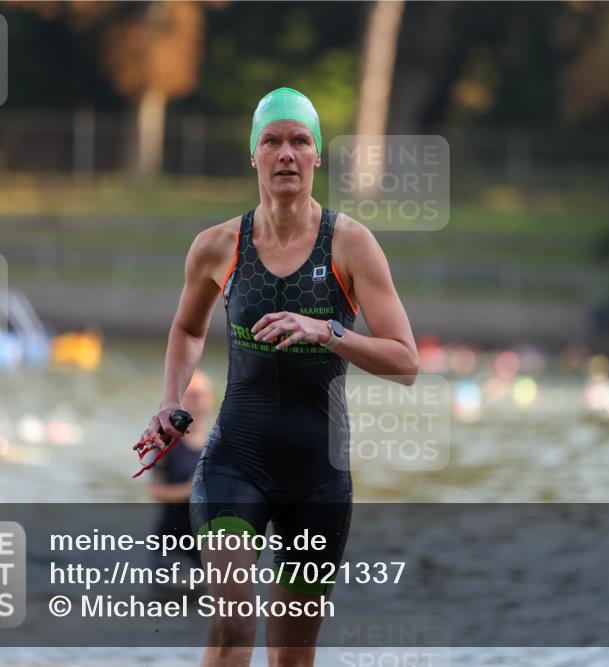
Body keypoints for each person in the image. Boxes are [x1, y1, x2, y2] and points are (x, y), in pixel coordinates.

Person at [140, 87, 417, 666]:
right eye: (272, 141)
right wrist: (169, 401)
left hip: (319, 476)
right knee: (234, 627)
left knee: (292, 652)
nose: (286, 153)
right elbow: (188, 330)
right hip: (235, 462)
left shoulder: (352, 244)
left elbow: (406, 361)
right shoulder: (217, 246)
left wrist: (328, 332)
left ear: (317, 157)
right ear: (254, 156)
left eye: (299, 141)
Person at [148, 370, 215, 573]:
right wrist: (191, 489)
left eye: (200, 395)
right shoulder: (166, 444)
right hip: (171, 541)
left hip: (205, 543)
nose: (197, 401)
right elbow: (155, 491)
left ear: (210, 399)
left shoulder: (219, 445)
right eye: (191, 395)